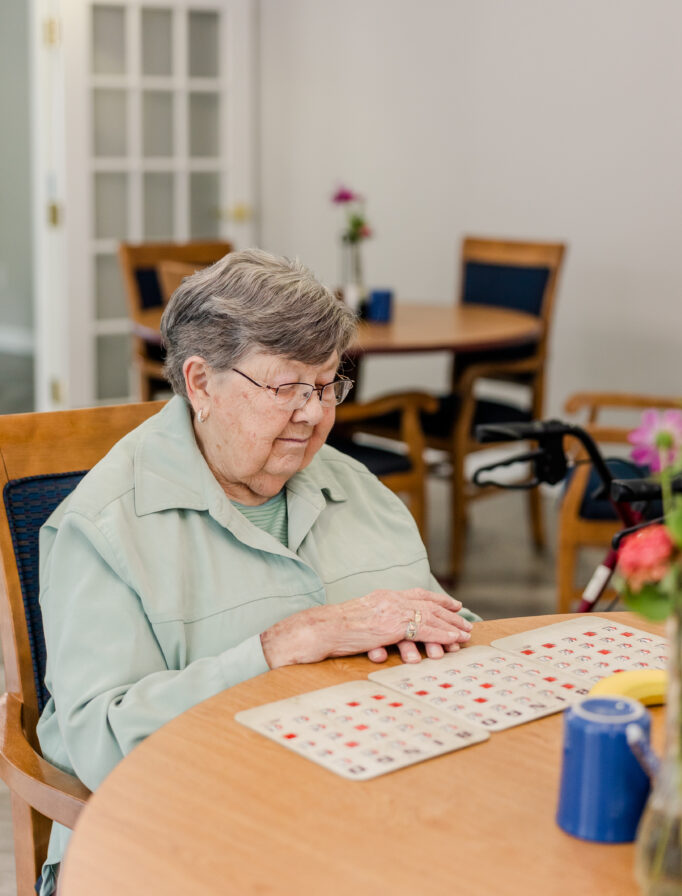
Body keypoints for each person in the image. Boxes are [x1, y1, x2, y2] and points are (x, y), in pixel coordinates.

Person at [36, 249, 477, 894]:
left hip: (363, 813)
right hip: (179, 841)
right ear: (201, 384)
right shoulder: (104, 529)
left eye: (327, 385)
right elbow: (99, 738)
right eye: (286, 387)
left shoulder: (357, 488)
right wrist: (277, 648)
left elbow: (443, 624)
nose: (314, 412)